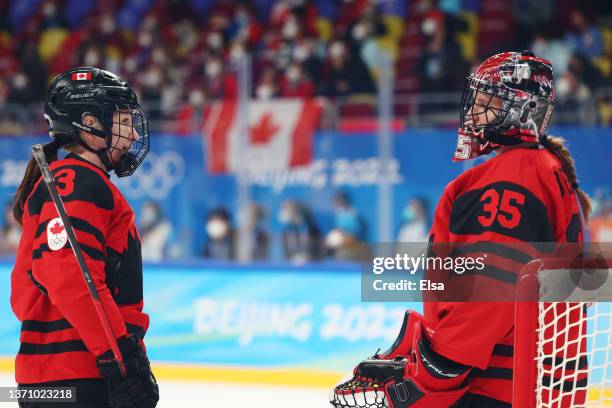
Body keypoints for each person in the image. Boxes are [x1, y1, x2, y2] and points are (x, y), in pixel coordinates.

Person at [330, 51, 590, 407]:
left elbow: (489, 292)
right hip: (533, 384)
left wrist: (435, 371)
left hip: (494, 388)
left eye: (488, 101)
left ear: (523, 110)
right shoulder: (543, 169)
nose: (473, 111)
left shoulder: (510, 177)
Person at [11, 68, 159, 408]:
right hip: (78, 377)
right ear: (90, 125)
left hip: (54, 379)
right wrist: (118, 359)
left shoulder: (75, 181)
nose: (132, 131)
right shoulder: (78, 181)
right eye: (123, 119)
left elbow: (24, 296)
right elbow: (71, 276)